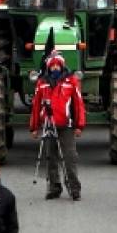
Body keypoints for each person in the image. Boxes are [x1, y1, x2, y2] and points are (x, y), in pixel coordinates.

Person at [30, 54, 85, 201]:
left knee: (69, 157)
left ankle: (74, 188)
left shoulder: (71, 81)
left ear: (62, 66)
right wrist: (34, 127)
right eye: (52, 65)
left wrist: (79, 125)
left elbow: (78, 105)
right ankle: (54, 187)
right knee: (51, 158)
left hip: (66, 125)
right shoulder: (42, 83)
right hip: (48, 125)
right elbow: (36, 106)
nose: (55, 68)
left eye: (57, 65)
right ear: (48, 67)